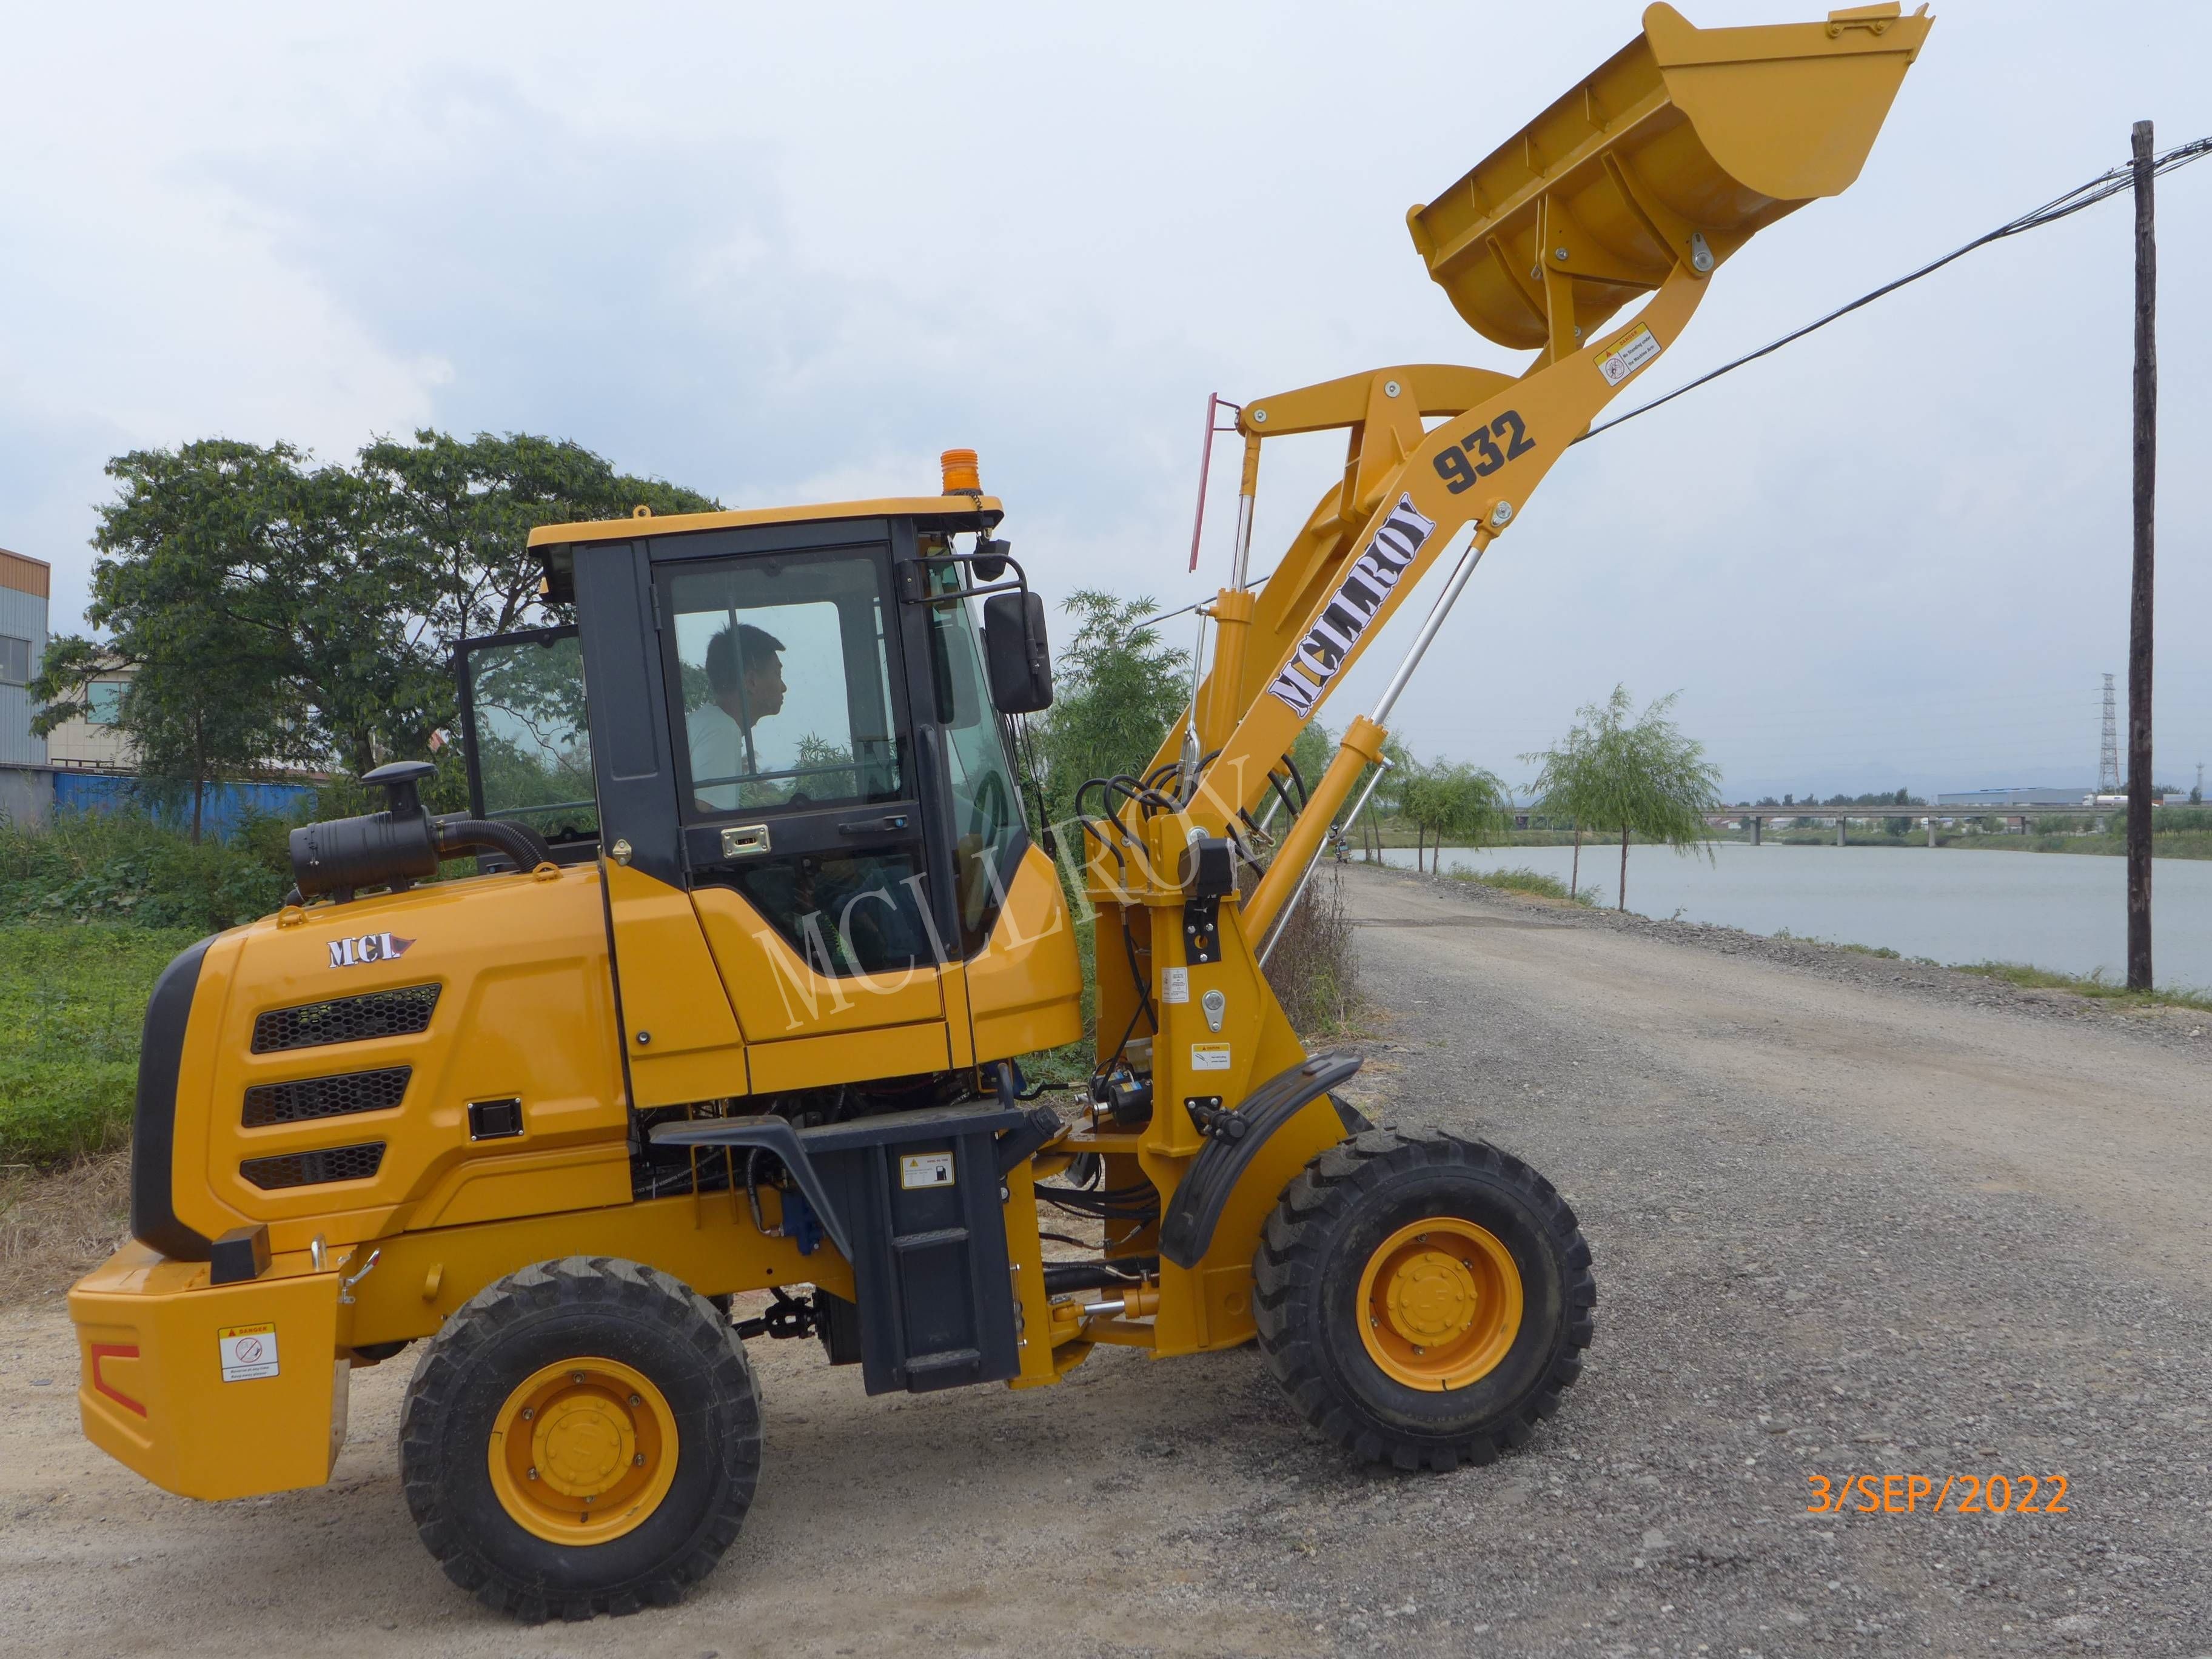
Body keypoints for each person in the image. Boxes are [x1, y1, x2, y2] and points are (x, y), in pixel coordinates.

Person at [688, 622, 786, 811]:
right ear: (751, 682)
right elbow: (702, 816)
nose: (783, 687)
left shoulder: (709, 723)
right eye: (777, 674)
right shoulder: (722, 731)